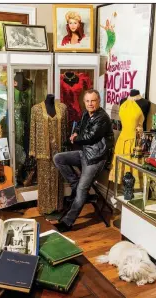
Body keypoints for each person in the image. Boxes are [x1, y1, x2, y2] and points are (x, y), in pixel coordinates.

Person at [53, 89, 114, 231]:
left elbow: (90, 137)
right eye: (87, 101)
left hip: (95, 158)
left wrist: (75, 138)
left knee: (82, 189)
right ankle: (75, 183)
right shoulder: (87, 113)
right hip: (85, 153)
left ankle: (68, 222)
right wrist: (75, 132)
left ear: (98, 101)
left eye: (93, 101)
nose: (90, 104)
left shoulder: (102, 118)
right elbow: (80, 127)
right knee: (58, 158)